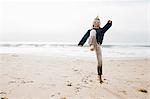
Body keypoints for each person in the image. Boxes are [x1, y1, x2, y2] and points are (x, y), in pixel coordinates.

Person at [78, 16, 112, 83]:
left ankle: (99, 77)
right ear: (93, 23)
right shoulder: (90, 30)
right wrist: (81, 43)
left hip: (98, 45)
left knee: (100, 61)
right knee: (93, 32)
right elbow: (85, 36)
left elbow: (106, 27)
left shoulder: (102, 30)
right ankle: (91, 45)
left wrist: (109, 23)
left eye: (98, 22)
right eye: (95, 22)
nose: (96, 23)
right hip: (92, 43)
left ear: (99, 23)